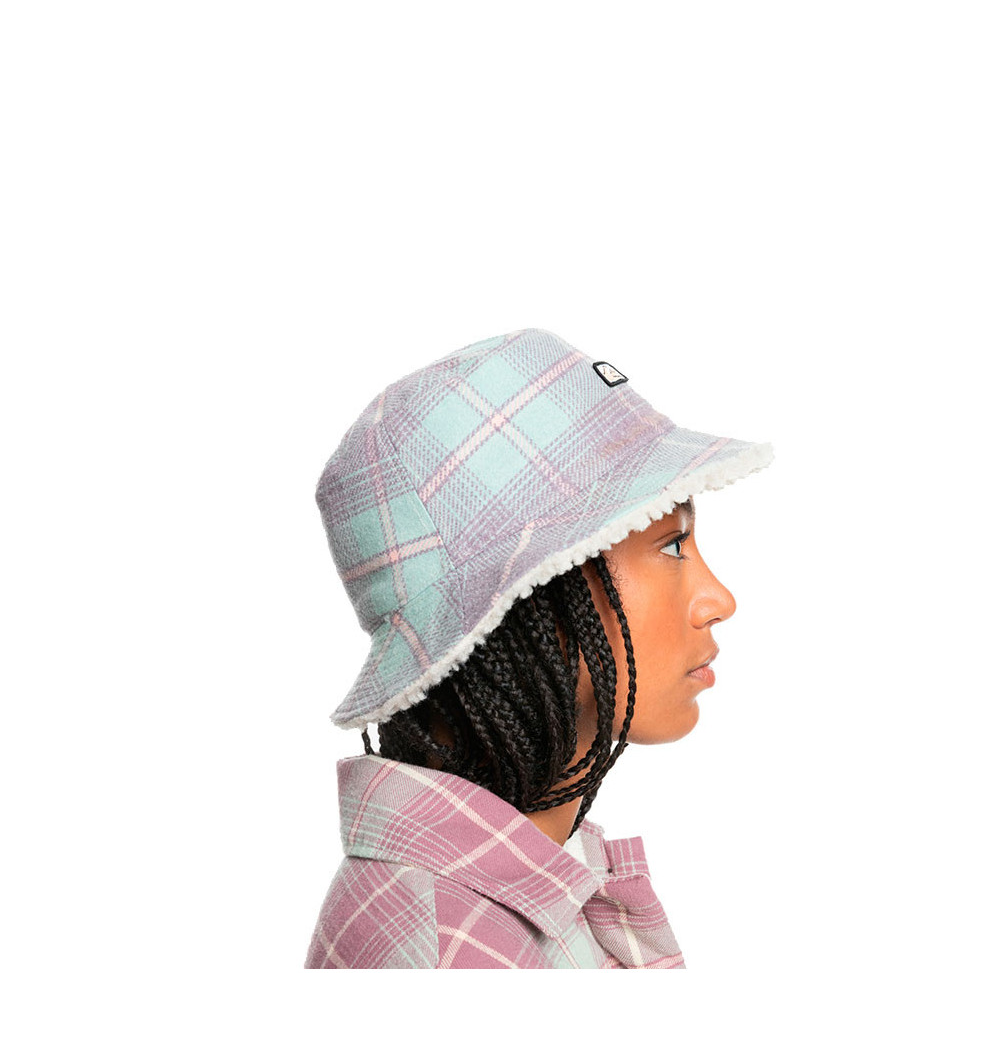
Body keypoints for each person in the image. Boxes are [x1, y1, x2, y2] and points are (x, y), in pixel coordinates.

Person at [304, 327, 774, 969]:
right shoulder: (447, 952)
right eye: (670, 544)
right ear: (522, 600)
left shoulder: (512, 891)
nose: (718, 599)